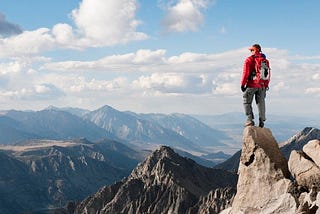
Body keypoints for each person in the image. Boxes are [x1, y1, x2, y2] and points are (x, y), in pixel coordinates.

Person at [240, 44, 270, 128]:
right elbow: (267, 74)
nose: (250, 52)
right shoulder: (265, 60)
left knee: (247, 101)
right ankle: (262, 121)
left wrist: (243, 84)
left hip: (252, 85)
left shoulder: (249, 60)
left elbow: (245, 73)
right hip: (262, 85)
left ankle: (250, 120)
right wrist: (266, 85)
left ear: (254, 50)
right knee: (261, 103)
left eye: (251, 50)